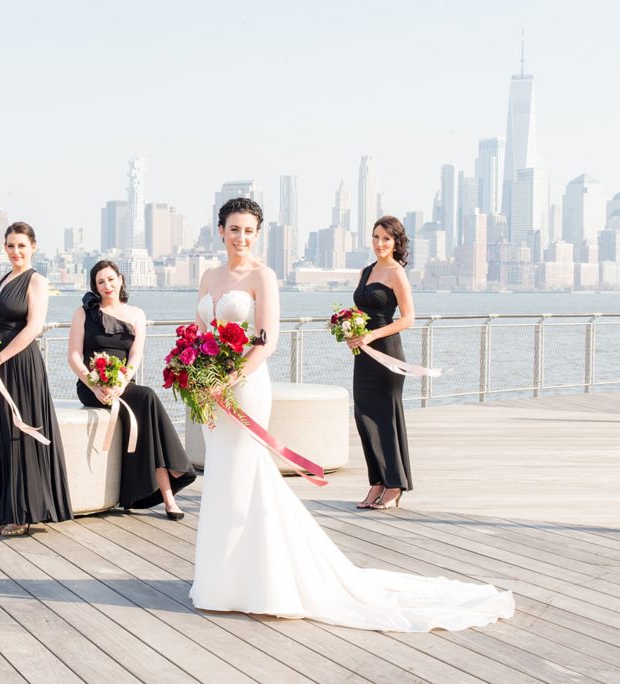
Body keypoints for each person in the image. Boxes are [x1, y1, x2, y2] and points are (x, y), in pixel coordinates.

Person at [189, 197, 513, 631]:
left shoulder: (263, 276)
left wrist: (230, 379)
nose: (240, 237)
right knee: (223, 475)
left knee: (246, 472)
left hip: (245, 387)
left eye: (249, 230)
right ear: (220, 230)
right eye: (233, 229)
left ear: (258, 234)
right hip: (211, 389)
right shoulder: (209, 276)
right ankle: (221, 580)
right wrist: (197, 371)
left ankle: (262, 578)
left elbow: (266, 340)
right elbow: (199, 332)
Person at [67, 260, 196, 518]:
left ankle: (168, 497)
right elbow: (73, 356)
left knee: (145, 404)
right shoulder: (84, 313)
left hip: (123, 383)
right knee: (146, 400)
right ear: (95, 286)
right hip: (92, 384)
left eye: (111, 279)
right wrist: (94, 386)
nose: (107, 285)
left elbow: (135, 357)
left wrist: (120, 383)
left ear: (121, 279)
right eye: (100, 281)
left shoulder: (137, 314)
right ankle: (171, 487)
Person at [0, 222, 72, 536]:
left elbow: (33, 328)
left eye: (21, 246)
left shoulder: (36, 281)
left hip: (20, 365)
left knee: (20, 432)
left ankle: (23, 512)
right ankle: (5, 511)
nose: (15, 251)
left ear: (33, 247)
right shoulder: (3, 279)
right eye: (10, 246)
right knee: (3, 434)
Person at [349, 216, 414, 510]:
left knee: (386, 418)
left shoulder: (396, 273)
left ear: (396, 242)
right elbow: (358, 311)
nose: (379, 243)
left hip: (387, 353)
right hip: (363, 355)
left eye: (386, 238)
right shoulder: (366, 271)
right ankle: (377, 480)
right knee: (364, 418)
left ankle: (395, 484)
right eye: (376, 237)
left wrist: (372, 334)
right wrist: (349, 330)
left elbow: (408, 319)